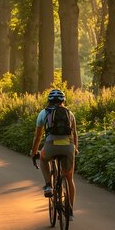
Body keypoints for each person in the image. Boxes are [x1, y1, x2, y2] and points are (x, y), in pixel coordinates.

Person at [30, 89, 78, 221]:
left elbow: (38, 136)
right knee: (69, 179)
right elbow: (74, 134)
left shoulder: (43, 113)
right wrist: (75, 149)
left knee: (44, 159)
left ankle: (48, 185)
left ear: (49, 101)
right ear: (63, 101)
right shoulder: (70, 114)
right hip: (68, 148)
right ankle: (69, 211)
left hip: (51, 147)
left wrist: (34, 152)